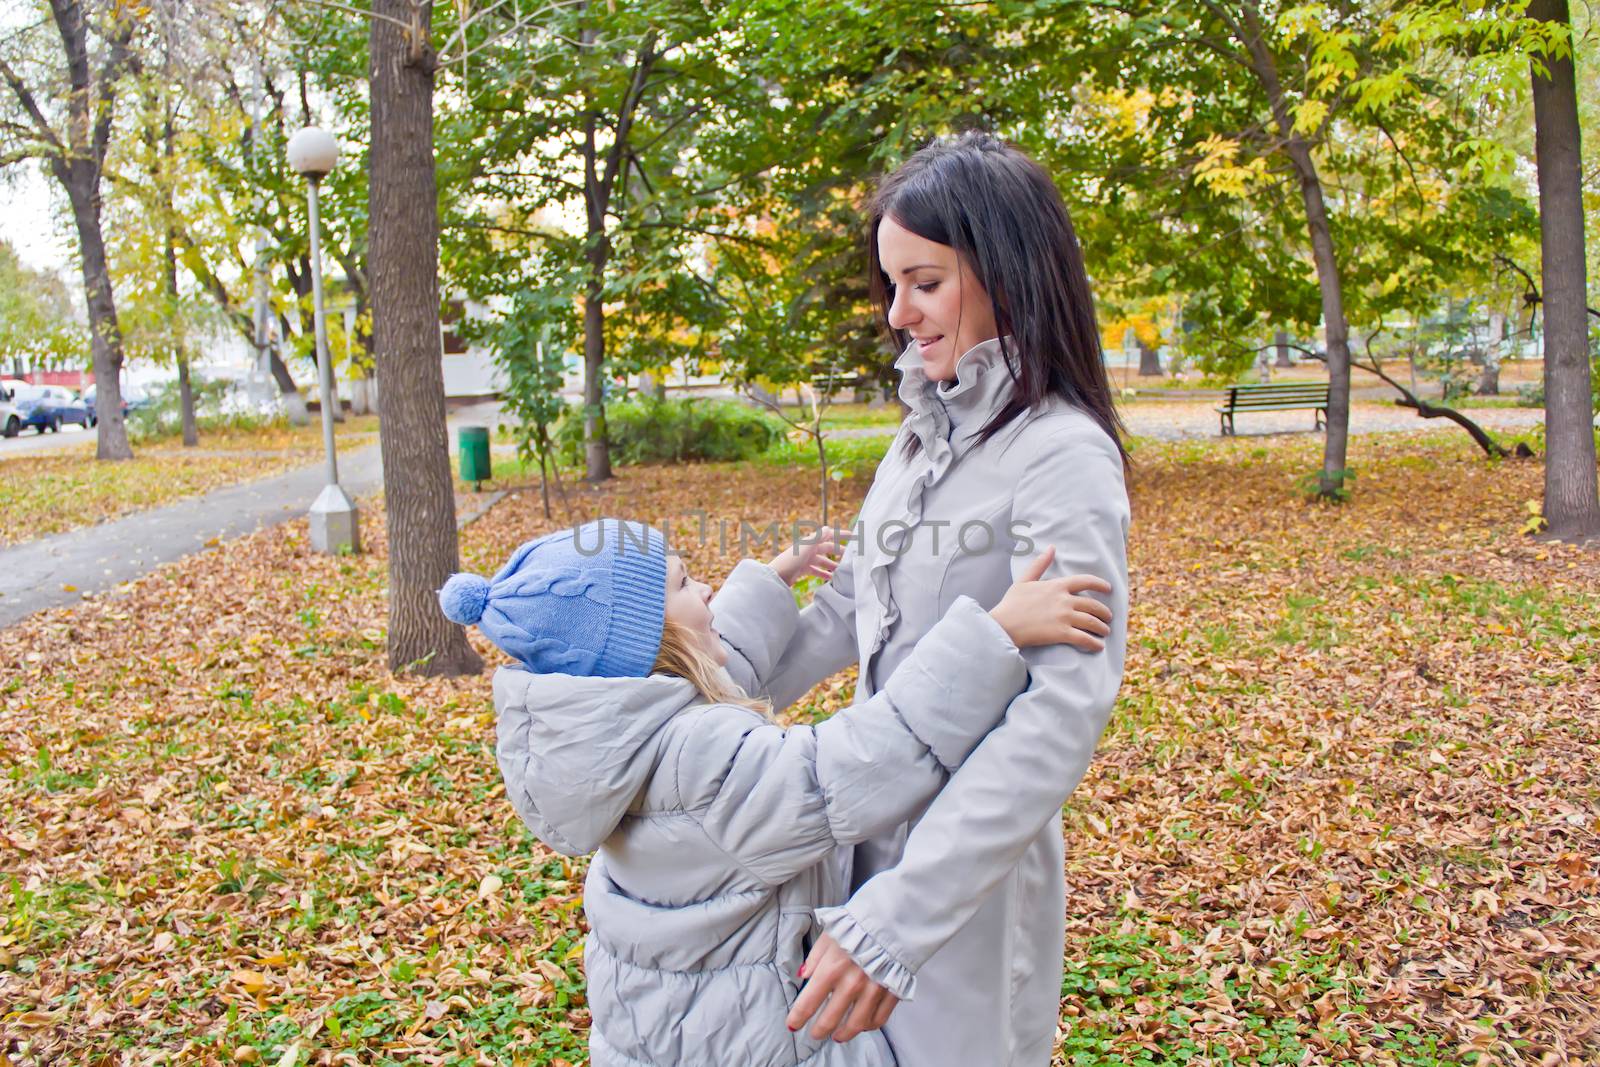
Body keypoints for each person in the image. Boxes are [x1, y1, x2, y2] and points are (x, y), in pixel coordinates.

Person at [438, 517, 1115, 1067]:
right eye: (683, 583)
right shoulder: (698, 759)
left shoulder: (617, 739)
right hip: (750, 1041)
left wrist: (771, 578)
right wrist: (993, 633)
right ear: (650, 641)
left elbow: (711, 659)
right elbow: (844, 769)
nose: (704, 590)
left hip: (668, 1037)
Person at [764, 132, 1133, 1066]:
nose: (899, 313)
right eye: (893, 286)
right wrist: (691, 680)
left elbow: (1062, 709)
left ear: (1005, 270)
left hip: (963, 898)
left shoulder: (1062, 454)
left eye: (924, 283)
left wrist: (901, 915)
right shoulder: (917, 439)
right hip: (857, 836)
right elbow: (850, 611)